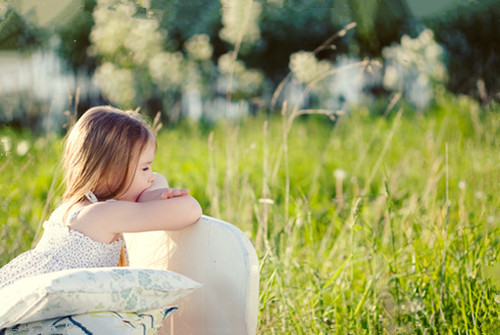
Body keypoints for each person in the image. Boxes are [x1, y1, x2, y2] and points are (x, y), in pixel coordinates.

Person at [0, 106, 202, 289]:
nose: (152, 177)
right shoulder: (103, 214)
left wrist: (147, 195)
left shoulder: (70, 208)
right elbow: (190, 209)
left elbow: (157, 179)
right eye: (145, 168)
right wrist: (146, 199)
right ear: (109, 172)